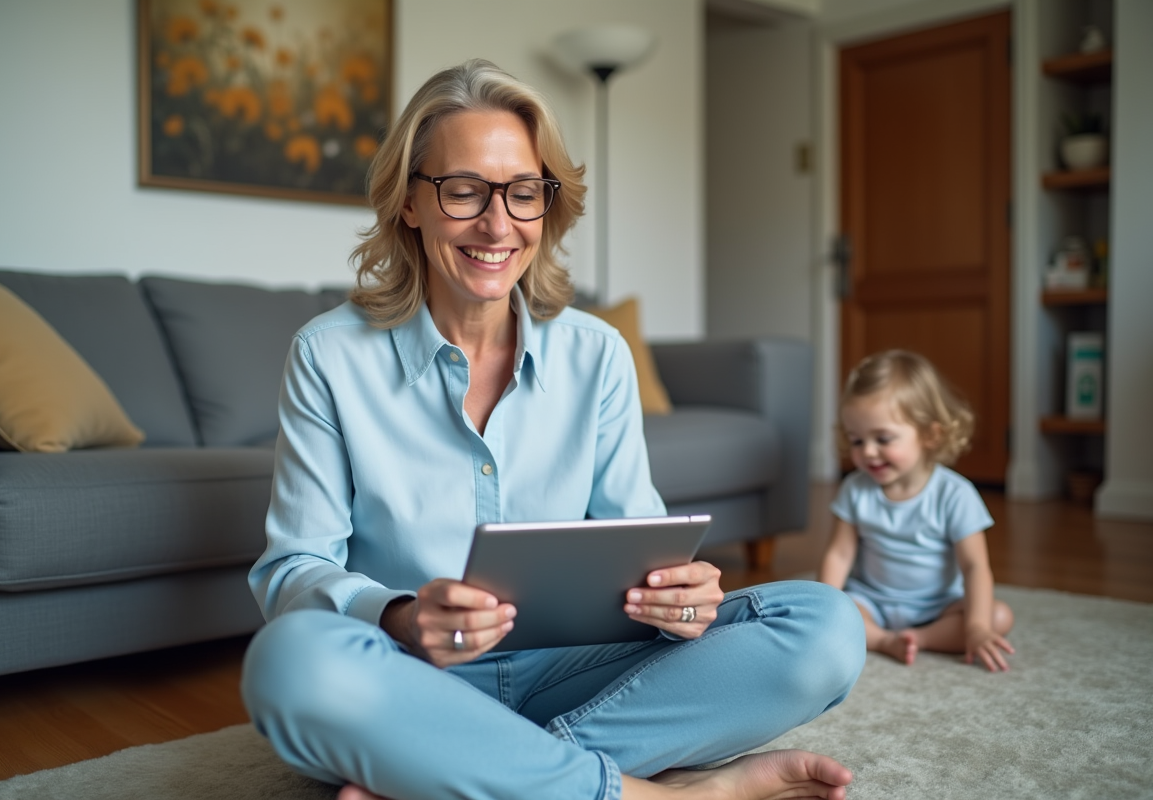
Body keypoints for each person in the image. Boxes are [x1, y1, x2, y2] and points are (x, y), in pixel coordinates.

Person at [240, 58, 865, 800]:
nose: (498, 223)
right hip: (410, 677)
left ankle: (452, 771)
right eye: (464, 189)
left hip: (575, 674)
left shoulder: (596, 353)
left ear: (547, 204)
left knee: (826, 626)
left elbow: (639, 538)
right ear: (410, 202)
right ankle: (657, 794)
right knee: (289, 660)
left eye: (524, 192)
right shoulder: (329, 353)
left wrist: (681, 599)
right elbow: (292, 571)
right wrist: (403, 618)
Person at [818, 350, 1015, 672]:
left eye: (883, 438)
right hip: (872, 602)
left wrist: (977, 627)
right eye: (856, 440)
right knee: (840, 612)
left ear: (929, 434)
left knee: (999, 616)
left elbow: (975, 566)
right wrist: (824, 608)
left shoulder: (955, 494)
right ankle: (883, 640)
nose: (868, 451)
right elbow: (838, 556)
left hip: (939, 607)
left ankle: (921, 638)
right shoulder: (855, 489)